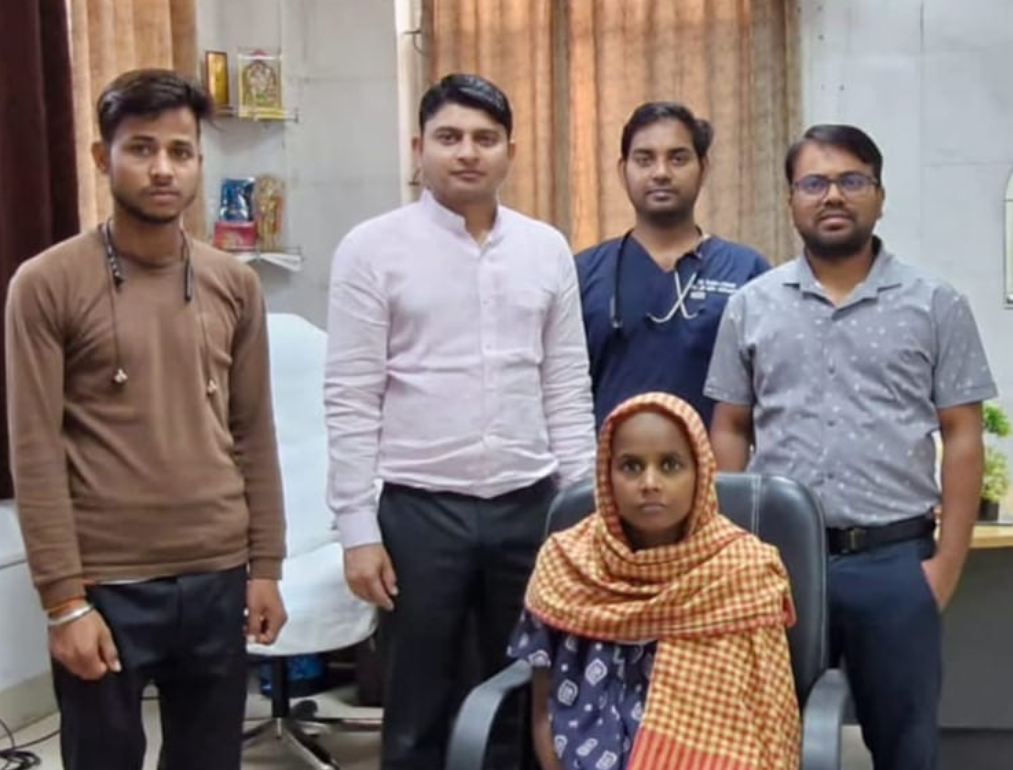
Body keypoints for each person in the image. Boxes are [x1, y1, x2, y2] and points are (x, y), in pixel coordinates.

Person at [4, 69, 288, 770]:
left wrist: (265, 566)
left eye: (180, 151)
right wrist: (64, 602)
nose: (163, 169)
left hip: (218, 572)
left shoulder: (234, 284)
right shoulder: (46, 284)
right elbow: (35, 452)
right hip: (108, 581)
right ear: (102, 158)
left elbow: (253, 432)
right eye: (141, 148)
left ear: (198, 161)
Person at [325, 73, 596, 770]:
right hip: (419, 513)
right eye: (448, 137)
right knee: (417, 702)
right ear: (419, 149)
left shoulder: (545, 249)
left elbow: (566, 388)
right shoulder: (370, 249)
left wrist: (582, 514)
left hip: (530, 508)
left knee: (527, 695)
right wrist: (356, 530)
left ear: (510, 151)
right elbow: (350, 396)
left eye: (484, 138)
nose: (467, 152)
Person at [705, 124, 997, 770]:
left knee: (904, 746)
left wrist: (943, 567)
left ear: (879, 196)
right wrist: (732, 550)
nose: (832, 195)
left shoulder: (934, 304)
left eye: (851, 180)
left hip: (894, 563)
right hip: (775, 565)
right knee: (765, 743)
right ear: (790, 200)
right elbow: (730, 426)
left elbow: (961, 433)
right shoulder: (752, 305)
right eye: (814, 183)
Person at [509, 392, 800, 770]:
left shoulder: (745, 570)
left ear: (700, 472)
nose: (650, 482)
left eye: (670, 465)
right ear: (606, 475)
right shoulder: (566, 563)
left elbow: (768, 711)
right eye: (631, 466)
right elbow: (543, 711)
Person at [576, 102, 769, 430]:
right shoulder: (582, 273)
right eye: (644, 159)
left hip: (718, 461)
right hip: (607, 461)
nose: (661, 173)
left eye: (678, 159)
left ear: (703, 168)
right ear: (623, 171)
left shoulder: (746, 270)